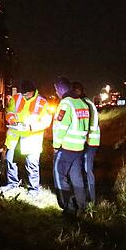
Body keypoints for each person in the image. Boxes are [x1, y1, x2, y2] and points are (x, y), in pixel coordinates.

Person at [3, 79, 53, 192]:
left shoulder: (42, 102)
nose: (24, 95)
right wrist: (12, 121)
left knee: (32, 165)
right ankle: (12, 184)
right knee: (10, 161)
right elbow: (9, 112)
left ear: (33, 91)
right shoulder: (16, 98)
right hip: (15, 137)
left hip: (31, 139)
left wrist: (31, 127)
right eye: (23, 93)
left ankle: (34, 189)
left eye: (27, 93)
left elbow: (46, 121)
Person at [51, 76, 92, 216]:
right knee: (77, 177)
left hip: (66, 148)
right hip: (79, 148)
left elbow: (61, 127)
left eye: (56, 89)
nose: (56, 93)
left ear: (61, 89)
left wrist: (56, 146)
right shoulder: (82, 103)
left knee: (58, 175)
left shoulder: (66, 103)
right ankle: (81, 207)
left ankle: (68, 207)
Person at [71, 81, 101, 204]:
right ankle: (85, 196)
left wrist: (83, 137)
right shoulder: (84, 102)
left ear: (78, 91)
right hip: (86, 142)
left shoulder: (87, 103)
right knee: (83, 169)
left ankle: (92, 199)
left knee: (87, 169)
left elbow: (92, 125)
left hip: (90, 142)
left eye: (74, 92)